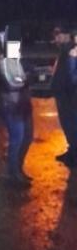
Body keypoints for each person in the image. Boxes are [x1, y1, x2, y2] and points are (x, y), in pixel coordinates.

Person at [0, 27, 33, 186]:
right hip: (11, 104)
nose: (17, 48)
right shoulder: (2, 62)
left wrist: (23, 80)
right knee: (17, 139)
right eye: (13, 45)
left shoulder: (15, 60)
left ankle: (17, 170)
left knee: (25, 138)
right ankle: (12, 175)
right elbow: (11, 84)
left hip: (20, 104)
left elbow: (21, 80)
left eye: (18, 45)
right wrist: (24, 81)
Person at [51, 27, 77, 166]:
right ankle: (72, 151)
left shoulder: (71, 52)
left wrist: (72, 59)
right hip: (63, 93)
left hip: (70, 95)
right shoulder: (65, 51)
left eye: (59, 35)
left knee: (72, 124)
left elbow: (72, 77)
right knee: (67, 124)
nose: (56, 39)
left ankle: (74, 154)